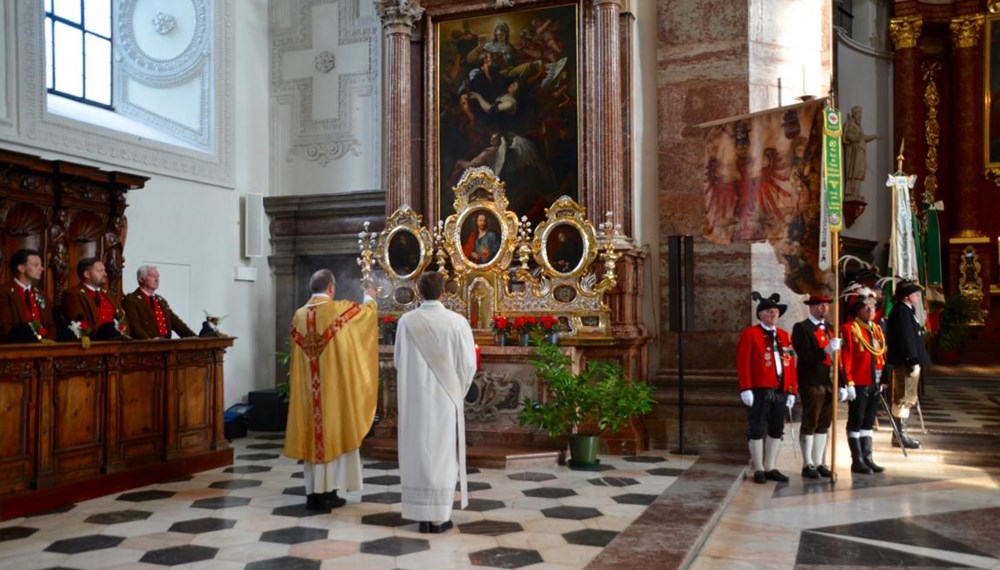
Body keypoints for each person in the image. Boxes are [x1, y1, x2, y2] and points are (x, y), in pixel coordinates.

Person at [283, 270, 379, 512]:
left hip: (308, 393)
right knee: (332, 436)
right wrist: (370, 296)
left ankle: (313, 494)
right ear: (331, 288)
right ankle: (327, 494)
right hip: (332, 393)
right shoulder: (338, 310)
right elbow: (367, 316)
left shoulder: (298, 316)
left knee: (312, 437)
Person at [395, 272, 476, 533]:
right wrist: (457, 393)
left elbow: (398, 362)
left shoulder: (406, 322)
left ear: (419, 292)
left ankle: (421, 516)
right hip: (444, 399)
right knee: (441, 455)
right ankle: (439, 517)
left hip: (413, 400)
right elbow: (468, 365)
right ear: (444, 292)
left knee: (416, 452)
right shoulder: (457, 322)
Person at [737, 292, 798, 484]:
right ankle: (759, 468)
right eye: (769, 311)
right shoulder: (750, 334)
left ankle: (771, 466)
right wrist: (746, 388)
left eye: (776, 312)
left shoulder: (784, 335)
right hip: (759, 389)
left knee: (777, 428)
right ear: (760, 314)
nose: (773, 314)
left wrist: (791, 389)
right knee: (757, 428)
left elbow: (790, 363)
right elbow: (743, 362)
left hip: (781, 389)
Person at [791, 294, 840, 479]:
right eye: (820, 305)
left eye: (826, 305)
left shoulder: (829, 328)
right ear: (811, 307)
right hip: (810, 380)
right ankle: (807, 463)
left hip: (828, 381)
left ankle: (819, 461)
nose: (824, 309)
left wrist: (842, 383)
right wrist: (825, 350)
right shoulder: (802, 328)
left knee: (824, 422)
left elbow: (837, 360)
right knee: (810, 420)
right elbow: (805, 355)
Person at [840, 287, 887, 474]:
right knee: (856, 419)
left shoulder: (876, 329)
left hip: (874, 382)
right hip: (858, 382)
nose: (870, 311)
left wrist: (883, 380)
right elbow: (845, 358)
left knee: (868, 421)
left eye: (873, 307)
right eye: (866, 307)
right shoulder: (849, 328)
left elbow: (882, 355)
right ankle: (857, 459)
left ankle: (868, 457)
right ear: (858, 310)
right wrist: (848, 382)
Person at [886, 279, 930, 449]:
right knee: (903, 398)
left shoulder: (905, 310)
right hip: (905, 363)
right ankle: (900, 436)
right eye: (915, 294)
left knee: (907, 398)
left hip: (908, 362)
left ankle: (900, 434)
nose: (918, 296)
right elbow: (907, 338)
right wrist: (912, 360)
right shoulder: (902, 312)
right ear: (906, 297)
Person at [122, 265, 197, 339]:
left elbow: (177, 323)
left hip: (166, 345)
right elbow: (134, 327)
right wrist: (150, 342)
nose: (157, 279)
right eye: (152, 276)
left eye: (157, 277)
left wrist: (195, 338)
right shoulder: (131, 300)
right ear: (141, 279)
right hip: (147, 347)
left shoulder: (161, 301)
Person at [60, 257, 126, 340]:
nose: (105, 274)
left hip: (118, 340)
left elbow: (122, 317)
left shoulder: (108, 294)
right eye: (100, 271)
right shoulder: (73, 294)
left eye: (104, 270)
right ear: (87, 274)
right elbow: (79, 322)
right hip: (95, 341)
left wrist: (124, 330)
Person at [0, 248, 56, 342]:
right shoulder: (4, 292)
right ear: (21, 268)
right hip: (18, 347)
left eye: (41, 265)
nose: (41, 268)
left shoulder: (40, 293)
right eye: (36, 265)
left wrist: (47, 341)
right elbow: (4, 327)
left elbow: (50, 324)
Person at [843, 106, 878, 198]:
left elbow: (863, 138)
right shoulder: (851, 124)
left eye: (861, 116)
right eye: (859, 116)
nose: (860, 118)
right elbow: (849, 135)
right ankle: (852, 193)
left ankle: (856, 193)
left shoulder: (859, 127)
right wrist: (856, 138)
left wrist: (873, 136)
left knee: (859, 173)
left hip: (861, 153)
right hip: (855, 152)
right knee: (853, 173)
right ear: (854, 115)